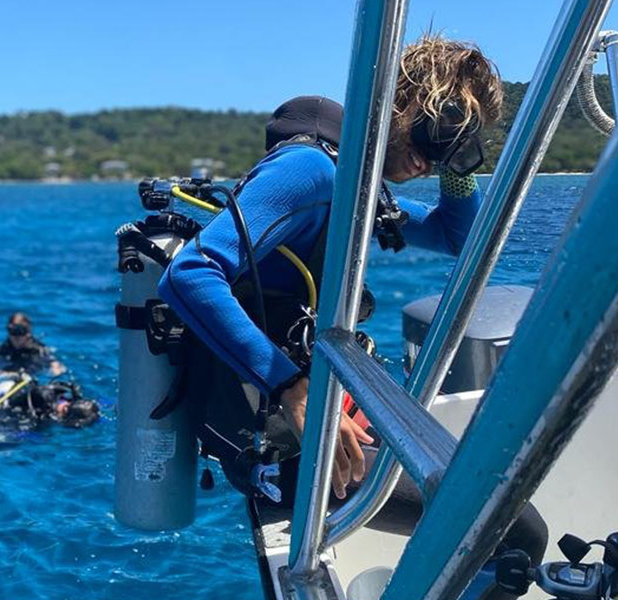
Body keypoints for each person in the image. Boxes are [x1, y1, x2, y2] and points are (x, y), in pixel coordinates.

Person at [157, 35, 547, 593]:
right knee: (517, 531)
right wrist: (293, 387)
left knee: (493, 494)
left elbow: (455, 236)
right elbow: (189, 275)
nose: (427, 155)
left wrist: (457, 166)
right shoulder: (310, 172)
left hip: (306, 403)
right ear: (396, 98)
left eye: (454, 140)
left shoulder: (359, 187)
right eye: (435, 128)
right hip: (268, 423)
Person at [0, 376, 100, 436]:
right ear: (66, 409)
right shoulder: (48, 408)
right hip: (1, 398)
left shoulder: (66, 397)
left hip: (9, 386)